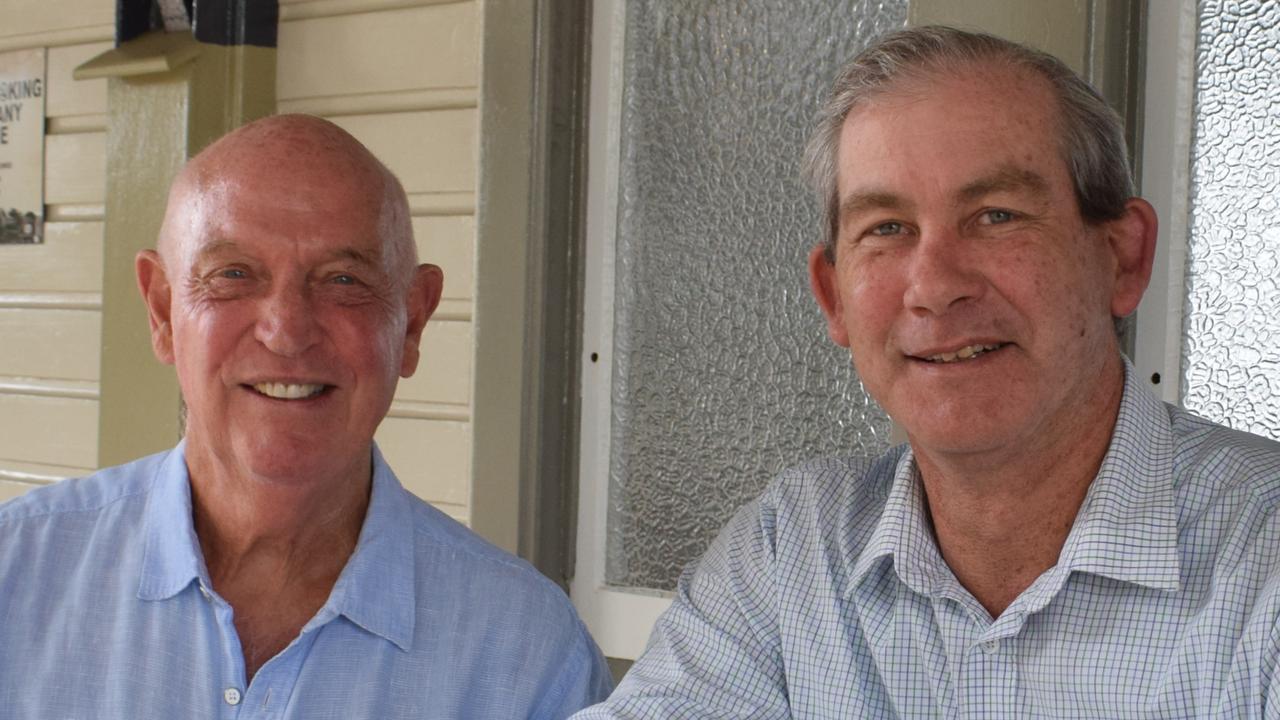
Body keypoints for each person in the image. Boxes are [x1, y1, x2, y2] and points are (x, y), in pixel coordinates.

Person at [577, 26, 1280, 718]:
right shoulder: (790, 556)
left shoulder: (1264, 564)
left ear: (1122, 259)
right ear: (833, 297)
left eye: (997, 215)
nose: (935, 286)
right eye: (886, 228)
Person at [0, 115, 612, 718]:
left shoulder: (524, 655)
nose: (288, 331)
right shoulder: (15, 578)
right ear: (162, 311)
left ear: (413, 323)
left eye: (343, 280)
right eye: (234, 274)